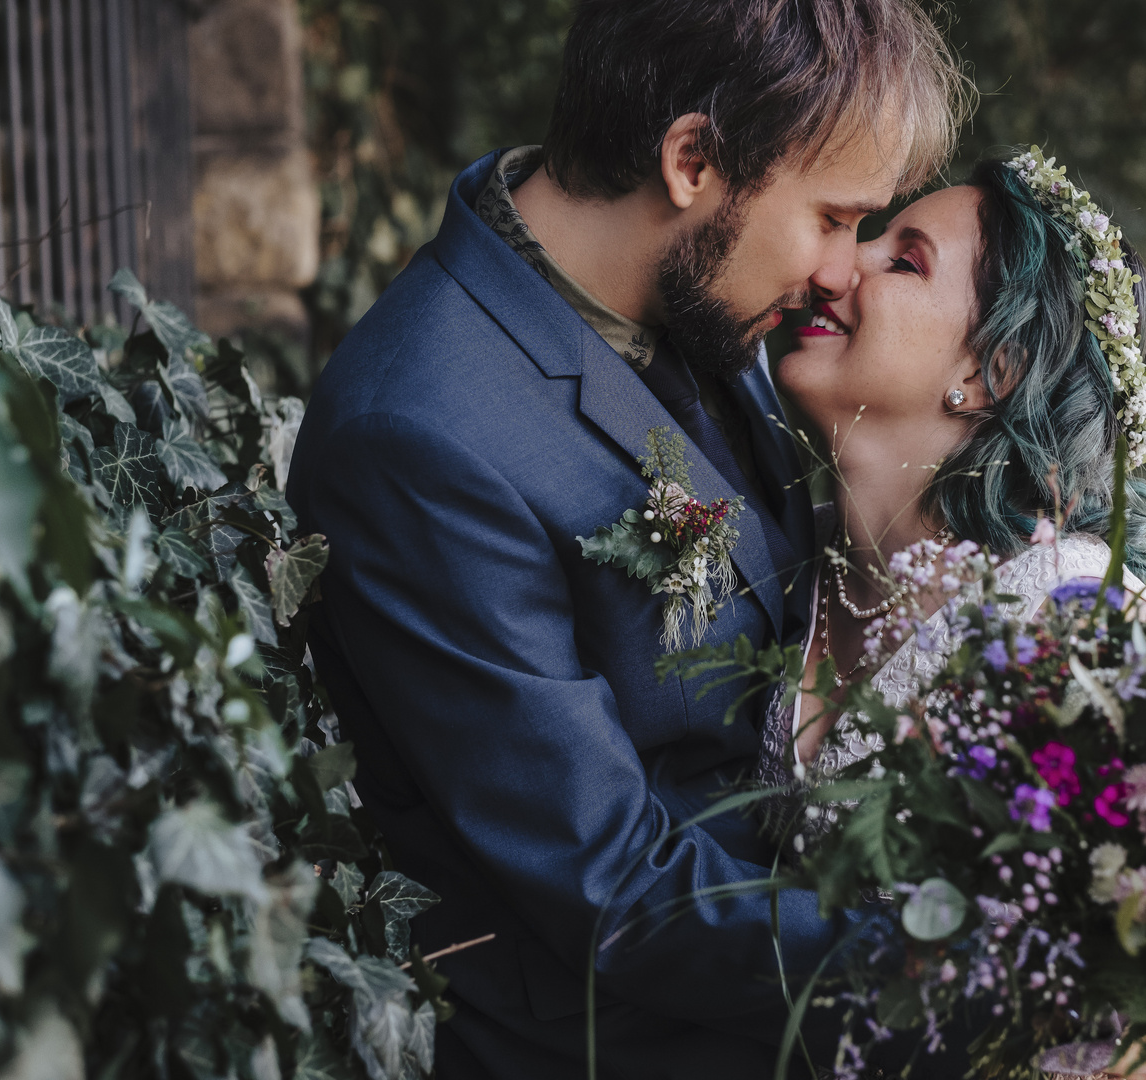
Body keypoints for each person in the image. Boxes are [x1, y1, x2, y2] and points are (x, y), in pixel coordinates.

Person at [285, 1, 971, 1077]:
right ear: (692, 159)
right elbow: (613, 888)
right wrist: (969, 984)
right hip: (628, 1035)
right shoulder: (422, 433)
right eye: (834, 218)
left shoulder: (701, 290)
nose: (845, 271)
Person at [758, 150, 1146, 1079]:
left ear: (994, 371)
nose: (837, 265)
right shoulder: (772, 553)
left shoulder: (1078, 629)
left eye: (903, 259)